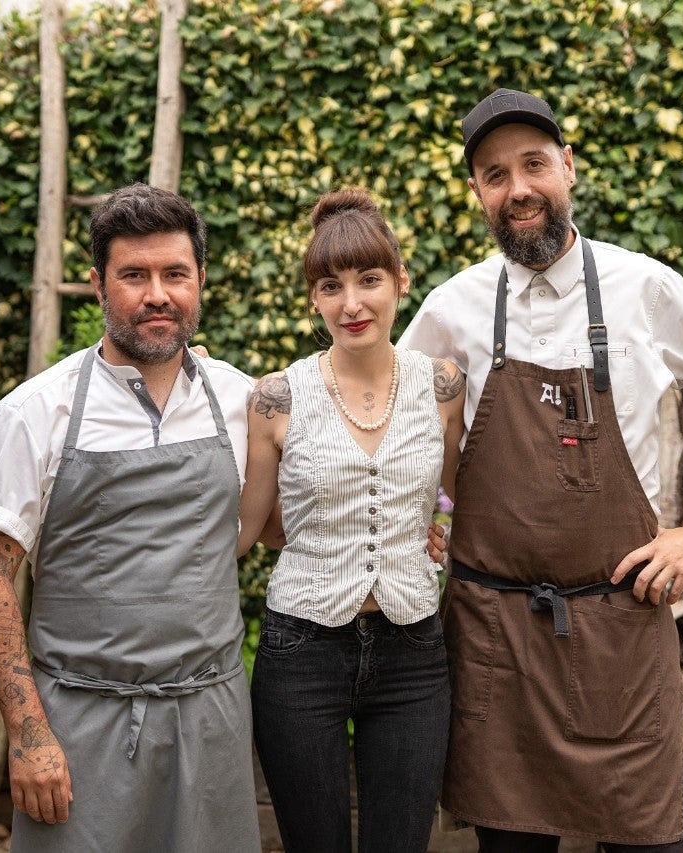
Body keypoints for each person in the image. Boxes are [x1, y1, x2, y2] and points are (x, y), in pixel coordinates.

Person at [401, 89, 683, 851]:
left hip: (619, 629)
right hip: (496, 640)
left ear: (569, 168)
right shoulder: (453, 308)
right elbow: (377, 404)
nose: (519, 188)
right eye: (494, 173)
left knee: (649, 841)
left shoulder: (645, 287)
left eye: (534, 164)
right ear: (478, 191)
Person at [0, 183, 261, 852]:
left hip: (210, 718)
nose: (158, 293)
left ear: (200, 281)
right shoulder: (35, 412)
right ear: (98, 284)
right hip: (80, 723)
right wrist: (29, 732)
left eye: (175, 273)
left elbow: (283, 522)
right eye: (135, 274)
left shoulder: (244, 402)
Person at [237, 188, 466, 853]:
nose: (352, 303)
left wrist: (438, 538)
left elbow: (451, 494)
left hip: (414, 651)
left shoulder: (443, 385)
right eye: (330, 285)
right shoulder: (275, 397)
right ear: (313, 297)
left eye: (369, 279)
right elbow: (250, 529)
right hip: (300, 650)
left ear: (400, 280)